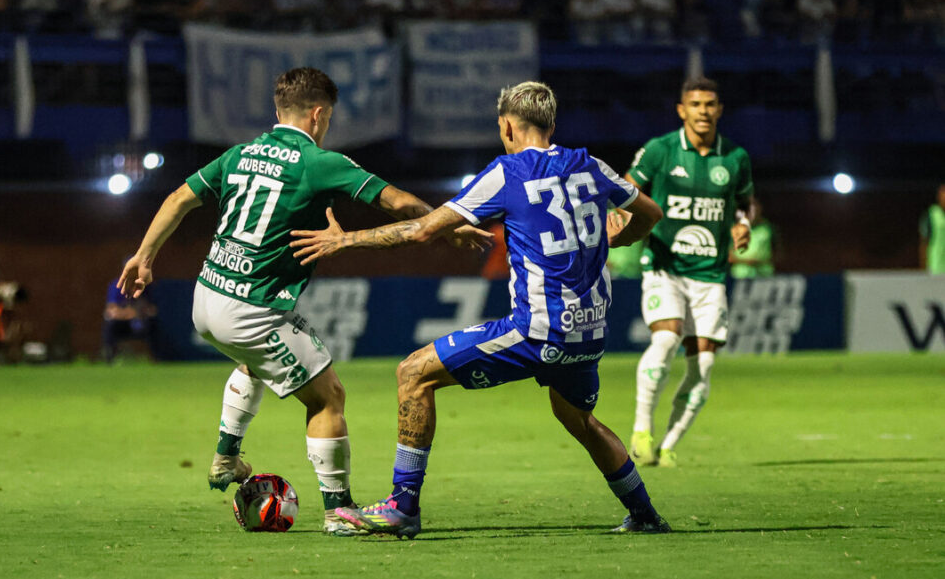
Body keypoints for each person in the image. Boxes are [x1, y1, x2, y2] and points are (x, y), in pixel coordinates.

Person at [116, 67, 491, 536]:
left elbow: (178, 198)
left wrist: (144, 256)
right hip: (251, 309)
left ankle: (226, 457)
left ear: (278, 112)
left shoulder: (240, 153)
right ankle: (339, 512)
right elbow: (396, 203)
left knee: (256, 363)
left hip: (206, 299)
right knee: (328, 397)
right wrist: (448, 226)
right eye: (327, 117)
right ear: (318, 115)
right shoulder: (321, 162)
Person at [291, 81, 669, 538]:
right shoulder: (591, 166)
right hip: (588, 334)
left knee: (413, 374)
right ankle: (645, 514)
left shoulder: (508, 172)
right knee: (580, 420)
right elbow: (648, 214)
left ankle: (402, 506)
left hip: (538, 332)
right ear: (551, 125)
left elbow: (421, 232)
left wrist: (344, 240)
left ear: (506, 126)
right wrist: (614, 238)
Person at [620, 77, 754, 468]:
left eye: (710, 104)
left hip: (710, 274)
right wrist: (618, 220)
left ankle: (668, 444)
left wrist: (743, 223)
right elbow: (628, 191)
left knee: (705, 365)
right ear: (682, 110)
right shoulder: (660, 151)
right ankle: (642, 429)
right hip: (665, 266)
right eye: (695, 104)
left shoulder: (735, 157)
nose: (703, 111)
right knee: (665, 341)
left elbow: (745, 202)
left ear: (719, 110)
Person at [101, 279, 158, 363]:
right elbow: (111, 312)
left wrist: (131, 312)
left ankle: (155, 358)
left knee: (152, 325)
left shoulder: (144, 286)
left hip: (138, 323)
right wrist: (132, 312)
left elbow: (151, 310)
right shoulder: (117, 286)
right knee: (110, 326)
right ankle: (109, 358)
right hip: (121, 323)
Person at [729, 196, 778, 278]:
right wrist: (747, 262)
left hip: (763, 276)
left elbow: (777, 253)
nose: (752, 212)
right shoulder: (734, 229)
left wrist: (762, 262)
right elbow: (727, 255)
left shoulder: (768, 228)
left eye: (755, 208)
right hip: (739, 276)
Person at [919, 184, 945, 275]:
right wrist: (923, 267)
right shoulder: (931, 214)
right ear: (939, 196)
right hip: (935, 268)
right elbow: (924, 242)